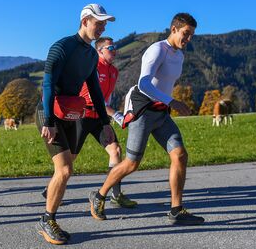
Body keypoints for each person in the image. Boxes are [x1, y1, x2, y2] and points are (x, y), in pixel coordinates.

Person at [88, 13, 205, 225]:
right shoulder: (157, 49)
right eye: (186, 34)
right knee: (132, 163)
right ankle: (100, 194)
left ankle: (176, 210)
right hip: (142, 109)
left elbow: (163, 84)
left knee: (180, 155)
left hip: (160, 111)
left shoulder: (179, 55)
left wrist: (168, 102)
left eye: (192, 35)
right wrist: (173, 102)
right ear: (173, 29)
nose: (188, 39)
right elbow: (144, 84)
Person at [36, 4, 116, 245]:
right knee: (65, 170)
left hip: (71, 114)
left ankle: (48, 212)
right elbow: (47, 85)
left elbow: (95, 91)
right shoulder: (62, 47)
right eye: (98, 22)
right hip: (49, 112)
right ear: (84, 22)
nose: (102, 27)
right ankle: (47, 220)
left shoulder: (92, 55)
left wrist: (105, 123)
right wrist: (48, 121)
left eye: (104, 24)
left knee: (65, 169)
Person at [40, 37, 137, 208]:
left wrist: (108, 117)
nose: (114, 51)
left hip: (99, 117)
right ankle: (51, 189)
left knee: (115, 150)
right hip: (82, 115)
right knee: (70, 158)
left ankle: (115, 195)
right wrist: (115, 114)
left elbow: (104, 98)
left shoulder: (114, 71)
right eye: (110, 47)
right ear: (99, 51)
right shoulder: (92, 65)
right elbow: (91, 96)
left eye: (116, 47)